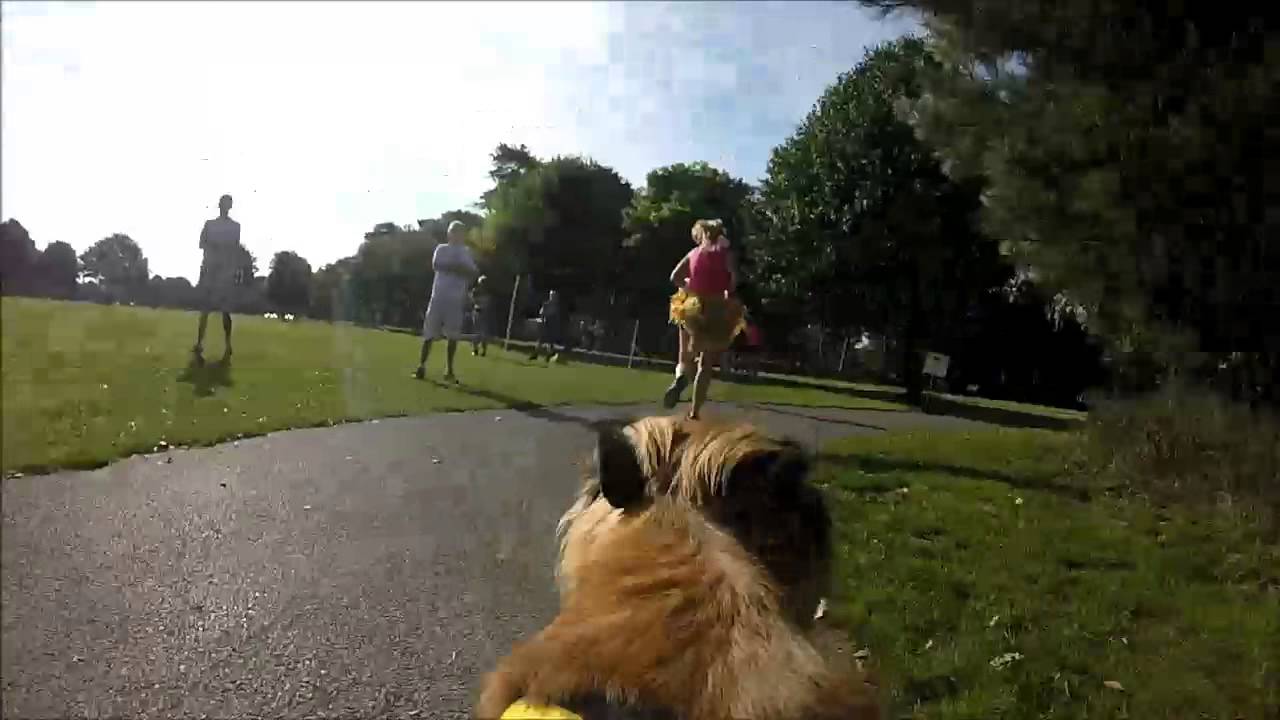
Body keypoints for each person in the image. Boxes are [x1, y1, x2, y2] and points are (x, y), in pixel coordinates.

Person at [664, 219, 746, 419]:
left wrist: (689, 286)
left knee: (685, 355)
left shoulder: (692, 253)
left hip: (692, 305)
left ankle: (681, 377)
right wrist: (726, 290)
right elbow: (735, 280)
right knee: (706, 363)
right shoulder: (727, 255)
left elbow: (674, 276)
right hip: (717, 307)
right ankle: (694, 412)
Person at [414, 220, 478, 382]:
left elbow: (473, 272)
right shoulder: (441, 249)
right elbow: (437, 265)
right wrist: (458, 268)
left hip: (456, 300)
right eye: (454, 231)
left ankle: (449, 370)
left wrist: (456, 268)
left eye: (460, 232)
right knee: (429, 333)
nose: (457, 235)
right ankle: (421, 366)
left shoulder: (466, 252)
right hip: (438, 298)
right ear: (449, 233)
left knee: (453, 336)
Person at [194, 193, 242, 364]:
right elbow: (201, 244)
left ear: (230, 206)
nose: (225, 207)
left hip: (225, 273)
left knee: (225, 311)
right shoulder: (210, 225)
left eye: (227, 204)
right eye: (223, 204)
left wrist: (235, 270)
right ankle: (199, 344)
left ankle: (228, 345)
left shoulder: (236, 227)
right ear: (219, 205)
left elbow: (235, 250)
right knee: (205, 309)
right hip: (210, 270)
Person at [529, 290, 564, 362]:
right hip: (546, 324)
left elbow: (556, 317)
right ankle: (537, 354)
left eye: (554, 296)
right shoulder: (546, 304)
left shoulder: (557, 306)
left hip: (552, 326)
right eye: (552, 296)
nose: (553, 297)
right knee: (542, 340)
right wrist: (542, 319)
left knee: (550, 342)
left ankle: (548, 355)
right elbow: (542, 313)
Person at [470, 275, 492, 357]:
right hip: (477, 312)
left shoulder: (486, 292)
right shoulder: (476, 291)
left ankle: (483, 351)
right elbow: (474, 301)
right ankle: (475, 350)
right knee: (477, 332)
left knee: (483, 333)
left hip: (484, 313)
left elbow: (487, 303)